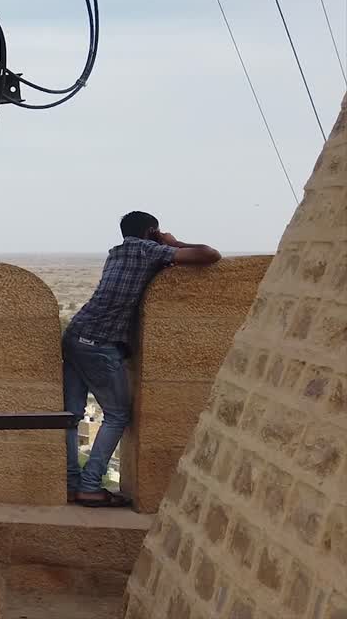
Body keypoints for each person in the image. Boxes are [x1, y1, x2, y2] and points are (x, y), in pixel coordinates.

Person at [65, 211, 221, 508]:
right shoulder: (146, 250)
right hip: (98, 343)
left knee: (71, 416)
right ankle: (89, 486)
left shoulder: (117, 252)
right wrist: (172, 241)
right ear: (151, 231)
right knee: (117, 415)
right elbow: (210, 255)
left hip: (75, 335)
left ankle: (72, 484)